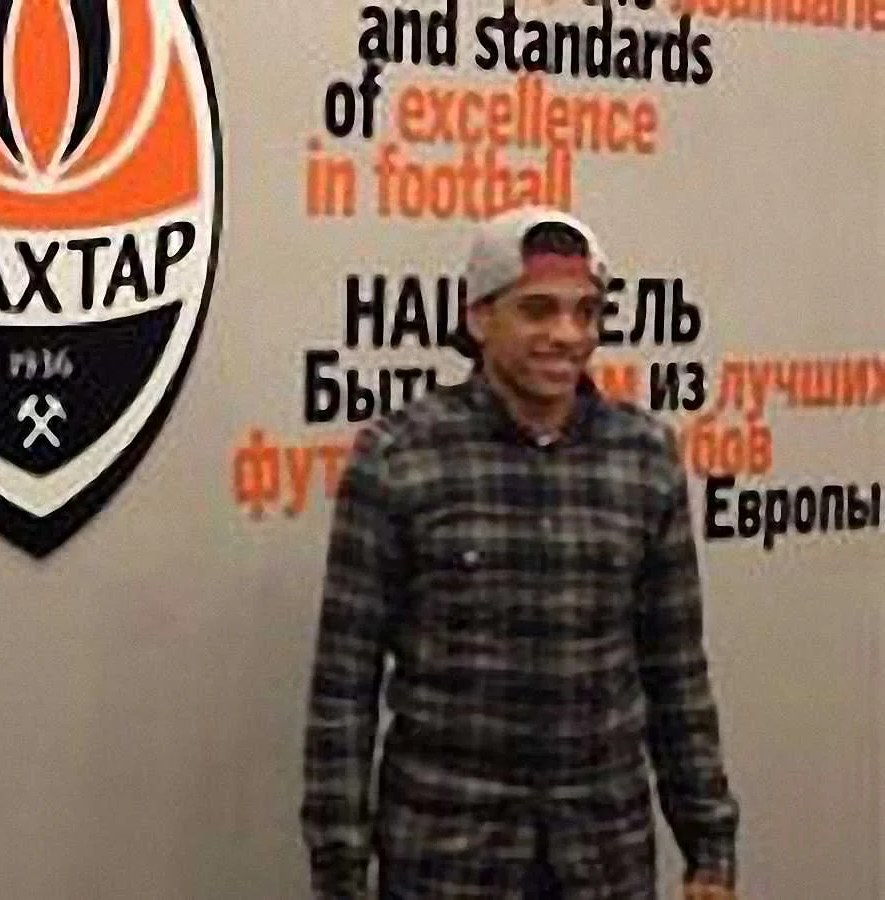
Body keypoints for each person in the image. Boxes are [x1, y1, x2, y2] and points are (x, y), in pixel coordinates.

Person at [300, 207, 740, 899]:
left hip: (604, 861)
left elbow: (676, 672)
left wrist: (709, 847)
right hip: (446, 860)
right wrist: (339, 871)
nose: (567, 335)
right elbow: (343, 687)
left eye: (585, 312)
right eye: (538, 310)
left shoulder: (645, 456)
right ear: (480, 317)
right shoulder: (399, 457)